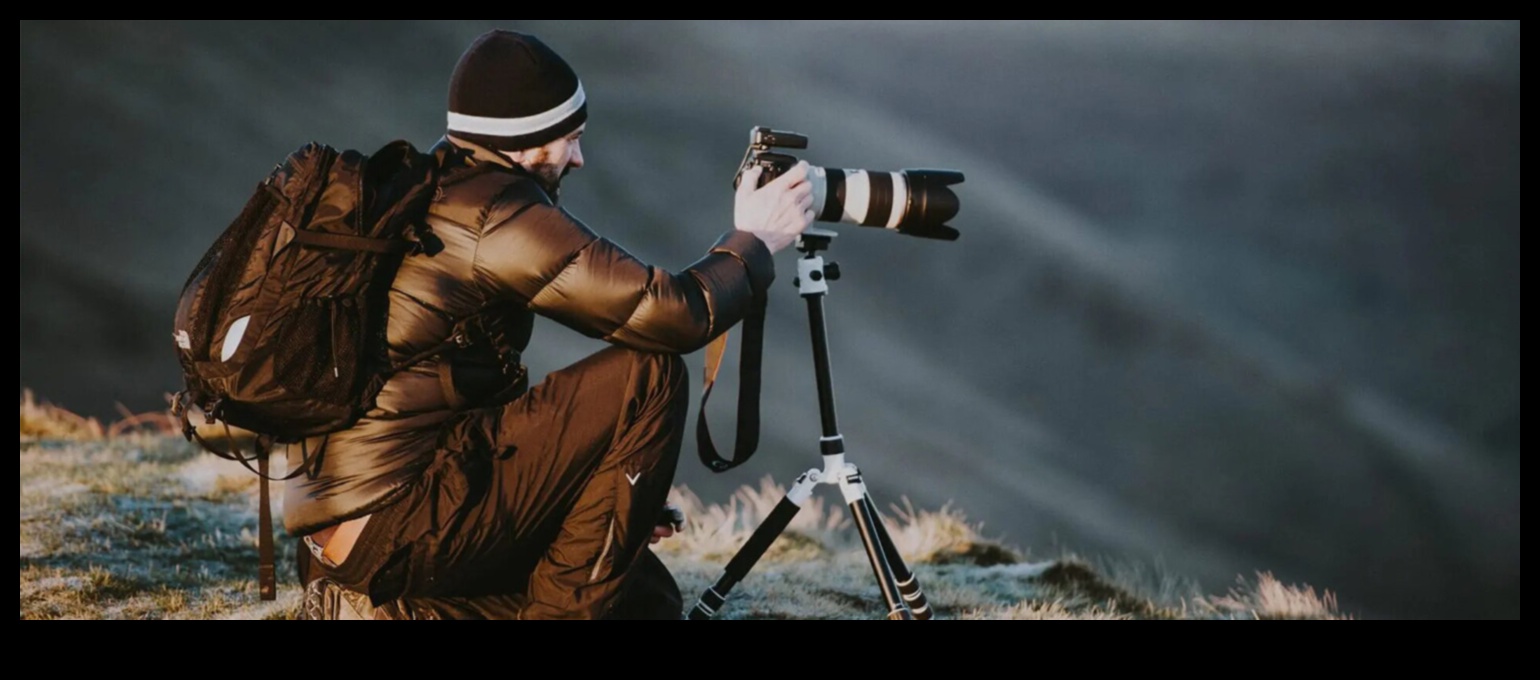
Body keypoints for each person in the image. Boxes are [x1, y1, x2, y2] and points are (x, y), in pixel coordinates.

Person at [291, 29, 816, 620]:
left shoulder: (432, 187)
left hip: (345, 530)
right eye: (570, 138)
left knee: (646, 601)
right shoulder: (495, 214)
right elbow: (672, 314)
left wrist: (598, 486)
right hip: (402, 521)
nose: (579, 157)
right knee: (647, 374)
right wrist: (755, 241)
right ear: (525, 139)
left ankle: (384, 608)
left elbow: (453, 399)